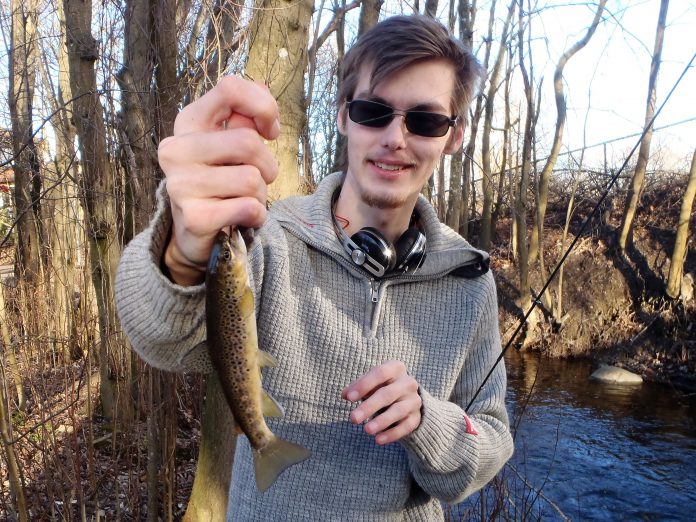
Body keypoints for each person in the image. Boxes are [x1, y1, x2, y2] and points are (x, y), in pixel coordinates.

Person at [116, 14, 513, 521]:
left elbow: (489, 442)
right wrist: (182, 249)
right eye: (374, 111)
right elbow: (159, 339)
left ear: (453, 136)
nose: (396, 137)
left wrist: (427, 422)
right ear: (344, 115)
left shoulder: (471, 280)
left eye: (426, 120)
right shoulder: (267, 238)